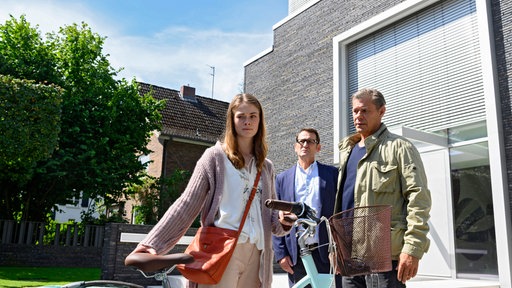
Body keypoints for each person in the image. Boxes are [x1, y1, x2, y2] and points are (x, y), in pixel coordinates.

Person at [128, 93, 294, 288]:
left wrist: (284, 221)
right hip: (222, 251)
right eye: (241, 116)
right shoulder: (215, 157)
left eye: (253, 116)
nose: (247, 121)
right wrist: (151, 245)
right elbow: (187, 204)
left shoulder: (266, 167)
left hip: (258, 254)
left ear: (260, 120)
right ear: (232, 120)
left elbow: (271, 219)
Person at [334, 88, 431, 288]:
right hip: (350, 259)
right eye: (355, 111)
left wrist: (412, 248)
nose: (358, 116)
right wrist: (336, 249)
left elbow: (418, 198)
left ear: (382, 111)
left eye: (364, 111)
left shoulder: (400, 148)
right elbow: (343, 206)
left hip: (383, 259)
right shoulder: (347, 152)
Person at [272, 128, 342, 287]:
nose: (305, 144)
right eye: (301, 141)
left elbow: (339, 213)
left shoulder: (332, 174)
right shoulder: (282, 179)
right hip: (295, 255)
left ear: (318, 147)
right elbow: (276, 217)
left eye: (310, 141)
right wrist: (281, 253)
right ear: (295, 146)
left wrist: (339, 249)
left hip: (326, 252)